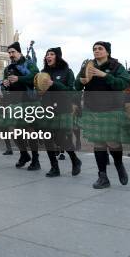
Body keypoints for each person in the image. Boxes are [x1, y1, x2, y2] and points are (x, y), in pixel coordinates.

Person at [75, 41, 130, 189]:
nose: (97, 51)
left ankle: (119, 165)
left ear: (107, 52)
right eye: (94, 49)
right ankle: (103, 177)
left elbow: (124, 83)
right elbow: (76, 85)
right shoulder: (87, 65)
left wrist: (104, 75)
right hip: (92, 108)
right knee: (99, 143)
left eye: (100, 49)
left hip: (111, 109)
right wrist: (81, 81)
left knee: (112, 142)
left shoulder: (116, 66)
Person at [39, 47, 82, 177]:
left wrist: (54, 84)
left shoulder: (67, 72)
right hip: (47, 109)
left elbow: (72, 92)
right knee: (48, 139)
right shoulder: (43, 72)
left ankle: (75, 160)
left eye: (51, 54)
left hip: (63, 109)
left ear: (57, 56)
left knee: (61, 139)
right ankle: (54, 168)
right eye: (47, 54)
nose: (48, 56)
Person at [0, 41, 40, 169]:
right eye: (9, 53)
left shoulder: (29, 63)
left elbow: (36, 77)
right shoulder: (8, 68)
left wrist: (19, 79)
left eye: (13, 52)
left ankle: (35, 159)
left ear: (19, 52)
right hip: (14, 102)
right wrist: (5, 85)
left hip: (29, 100)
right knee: (15, 132)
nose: (11, 55)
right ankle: (24, 154)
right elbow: (5, 86)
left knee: (30, 131)